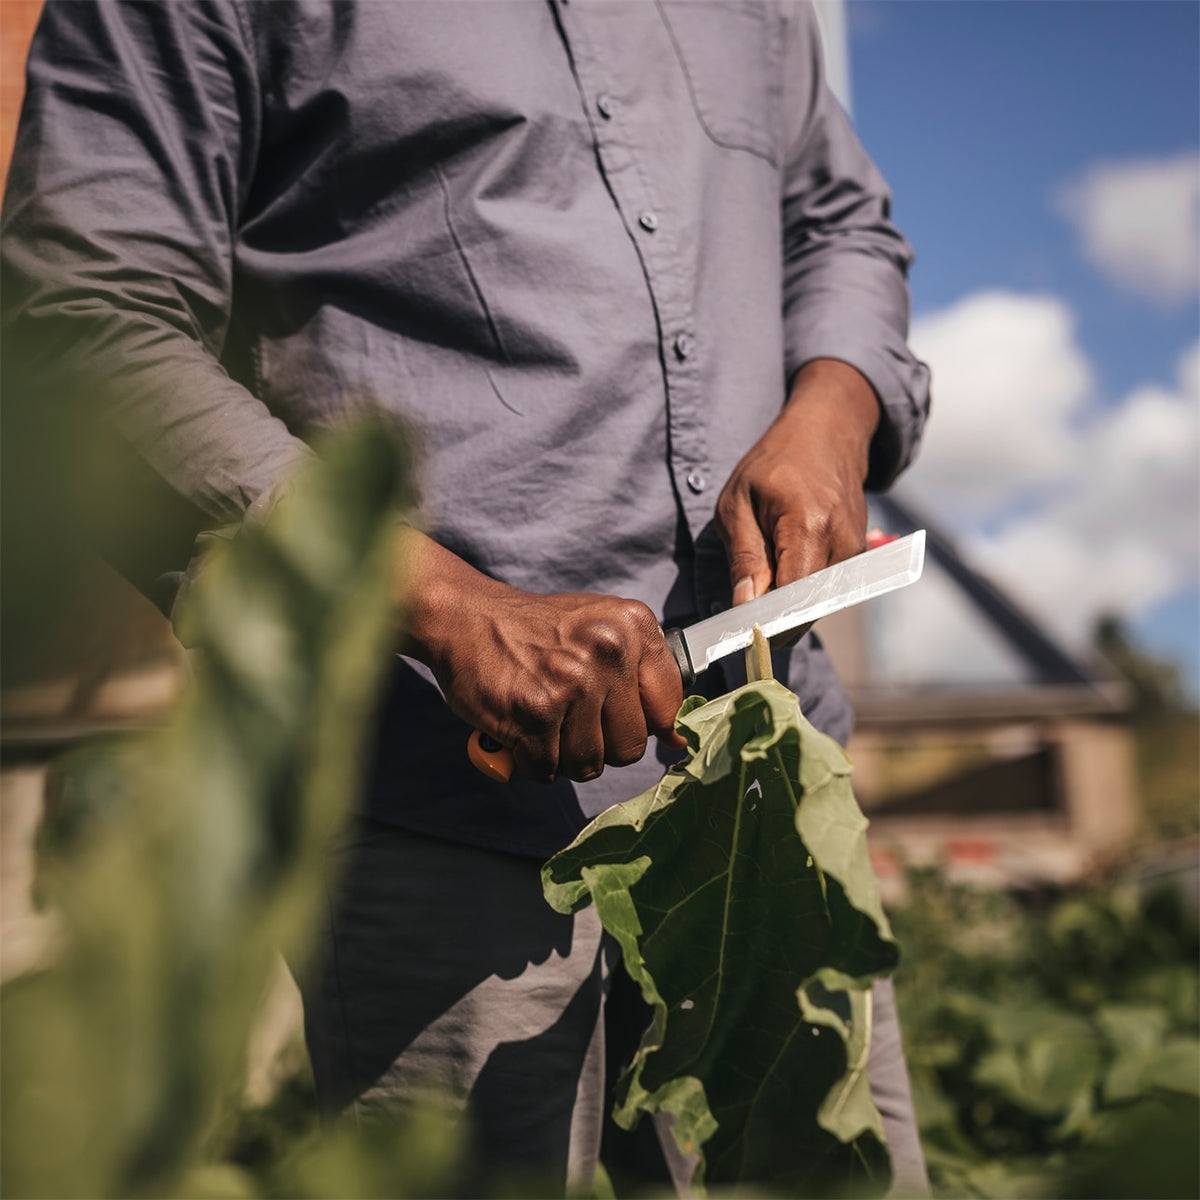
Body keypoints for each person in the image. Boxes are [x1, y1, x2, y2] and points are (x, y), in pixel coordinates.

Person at [2, 1, 931, 1194]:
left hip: (772, 817)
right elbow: (78, 316)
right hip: (440, 806)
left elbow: (840, 224)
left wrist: (835, 410)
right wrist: (443, 605)